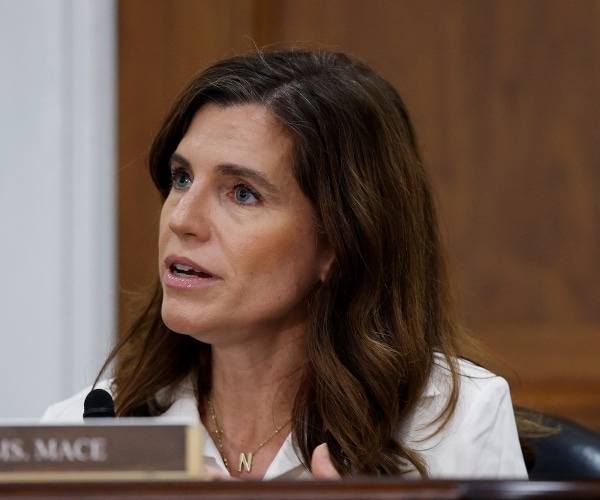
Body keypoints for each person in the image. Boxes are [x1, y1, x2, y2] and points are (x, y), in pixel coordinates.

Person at [42, 49, 528, 480]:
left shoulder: (457, 424)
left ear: (338, 242)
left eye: (242, 193)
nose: (181, 219)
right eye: (182, 178)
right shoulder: (81, 433)